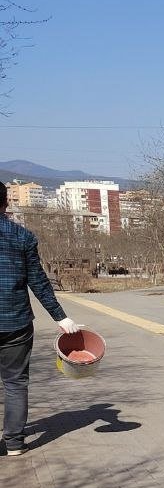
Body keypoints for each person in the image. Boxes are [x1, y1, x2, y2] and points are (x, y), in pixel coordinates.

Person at [0, 183, 80, 455]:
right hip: (16, 322)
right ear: (6, 204)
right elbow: (38, 281)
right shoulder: (22, 237)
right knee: (15, 382)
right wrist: (61, 317)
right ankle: (13, 443)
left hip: (16, 322)